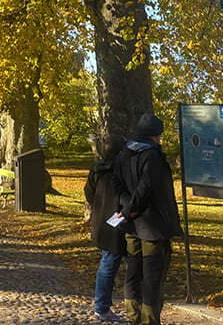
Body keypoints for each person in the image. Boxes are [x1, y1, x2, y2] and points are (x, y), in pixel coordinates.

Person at [114, 113, 183, 325]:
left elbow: (117, 187)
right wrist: (134, 208)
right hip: (152, 225)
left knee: (133, 272)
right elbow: (147, 189)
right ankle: (149, 320)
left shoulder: (123, 154)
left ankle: (133, 316)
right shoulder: (152, 156)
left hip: (131, 225)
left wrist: (127, 209)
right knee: (152, 276)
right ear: (155, 135)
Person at [85, 136, 128, 323]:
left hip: (103, 221)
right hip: (123, 220)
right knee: (129, 263)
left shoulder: (97, 169)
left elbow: (88, 193)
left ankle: (102, 307)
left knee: (108, 263)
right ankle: (133, 304)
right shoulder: (126, 170)